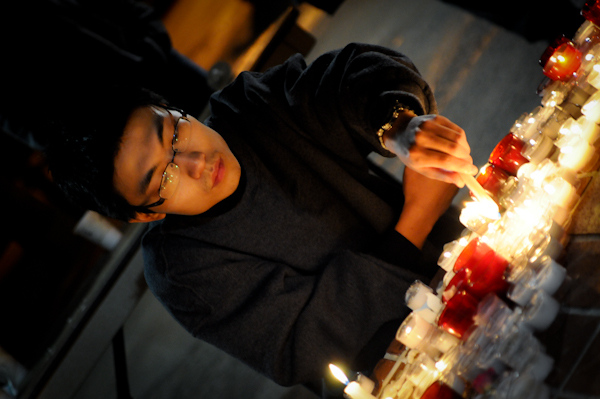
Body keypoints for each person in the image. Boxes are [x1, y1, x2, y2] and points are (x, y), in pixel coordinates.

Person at [45, 42, 477, 395]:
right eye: (163, 175)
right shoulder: (182, 270)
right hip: (399, 368)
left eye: (173, 132)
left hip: (467, 258)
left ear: (173, 108)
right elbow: (304, 343)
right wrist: (417, 217)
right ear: (144, 213)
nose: (195, 161)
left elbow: (351, 75)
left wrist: (398, 126)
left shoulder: (250, 107)